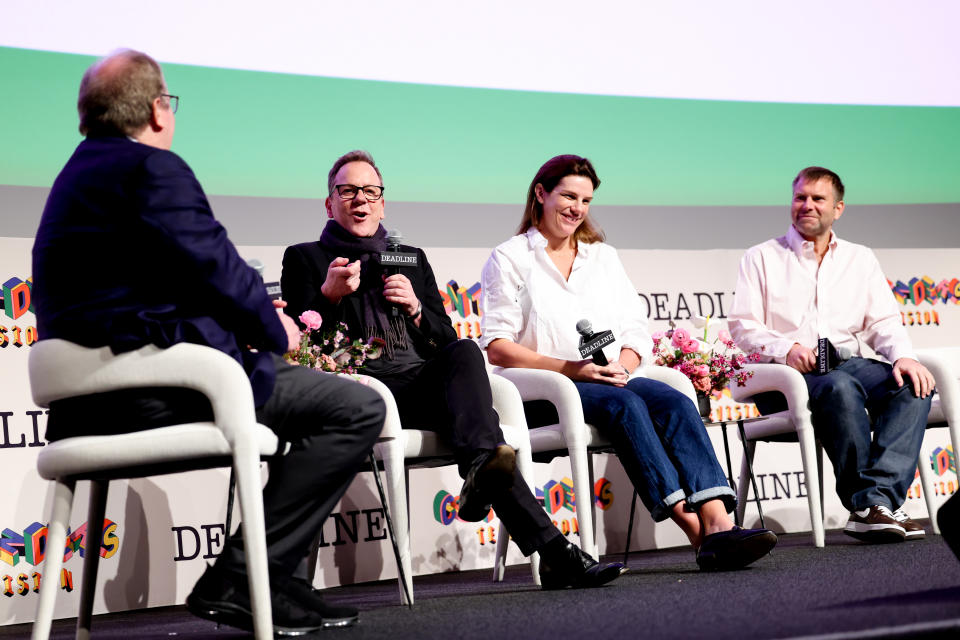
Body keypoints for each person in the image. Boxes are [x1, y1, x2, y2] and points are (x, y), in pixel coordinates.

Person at [32, 50, 385, 635]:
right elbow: (217, 268)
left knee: (307, 407)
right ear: (157, 109)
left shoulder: (73, 176)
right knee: (355, 407)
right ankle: (243, 577)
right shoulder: (150, 168)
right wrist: (278, 333)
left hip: (82, 403)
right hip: (153, 388)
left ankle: (275, 581)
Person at [281, 150, 623, 589]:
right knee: (487, 444)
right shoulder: (305, 258)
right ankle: (552, 547)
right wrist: (328, 296)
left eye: (370, 191)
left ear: (382, 203)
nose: (360, 200)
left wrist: (417, 309)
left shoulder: (409, 257)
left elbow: (444, 337)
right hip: (360, 390)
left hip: (420, 385)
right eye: (347, 191)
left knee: (464, 355)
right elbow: (298, 343)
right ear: (330, 203)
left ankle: (485, 471)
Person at [480, 154, 777, 571]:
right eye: (567, 196)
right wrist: (571, 369)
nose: (576, 208)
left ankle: (719, 524)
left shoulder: (602, 257)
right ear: (541, 194)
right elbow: (498, 347)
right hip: (546, 389)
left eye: (585, 200)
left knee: (673, 401)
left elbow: (635, 324)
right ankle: (695, 531)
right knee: (627, 406)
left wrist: (625, 360)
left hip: (611, 379)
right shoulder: (511, 258)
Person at [728, 166, 935, 543]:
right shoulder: (761, 257)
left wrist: (904, 356)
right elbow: (743, 326)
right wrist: (787, 349)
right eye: (799, 197)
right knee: (839, 386)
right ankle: (868, 505)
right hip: (784, 377)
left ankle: (876, 502)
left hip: (847, 364)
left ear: (838, 208)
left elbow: (884, 322)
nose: (806, 205)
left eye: (817, 199)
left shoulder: (860, 258)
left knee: (912, 385)